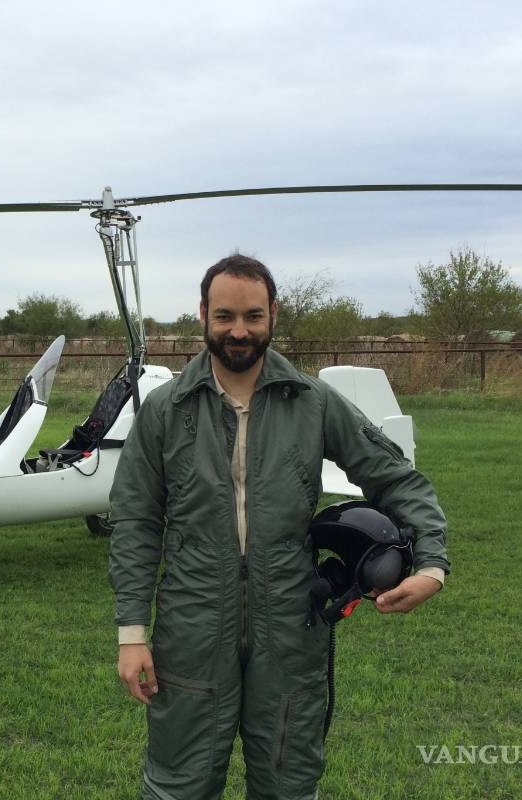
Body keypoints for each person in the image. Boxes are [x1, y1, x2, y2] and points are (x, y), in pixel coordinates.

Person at [109, 254, 450, 800]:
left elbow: (398, 480)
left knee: (289, 786)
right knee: (179, 785)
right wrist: (132, 634)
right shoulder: (165, 409)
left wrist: (430, 563)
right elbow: (135, 520)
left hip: (292, 629)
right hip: (192, 627)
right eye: (224, 316)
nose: (238, 331)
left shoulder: (312, 401)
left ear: (273, 315)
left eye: (252, 316)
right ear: (202, 315)